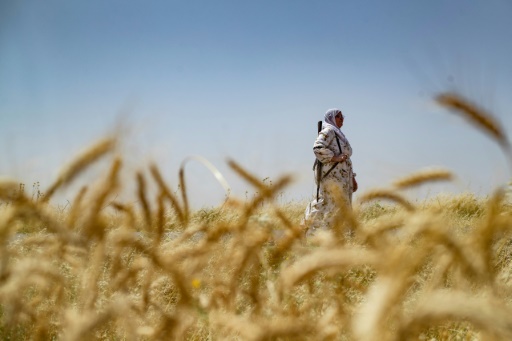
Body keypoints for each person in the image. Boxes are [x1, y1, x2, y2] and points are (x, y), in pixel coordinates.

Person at [304, 108, 357, 236]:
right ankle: (307, 227)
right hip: (331, 175)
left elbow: (347, 159)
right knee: (326, 202)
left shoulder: (339, 134)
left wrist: (352, 178)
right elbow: (318, 147)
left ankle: (337, 234)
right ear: (331, 118)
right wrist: (334, 158)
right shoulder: (329, 131)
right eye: (339, 116)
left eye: (342, 116)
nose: (342, 119)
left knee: (339, 204)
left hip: (342, 177)